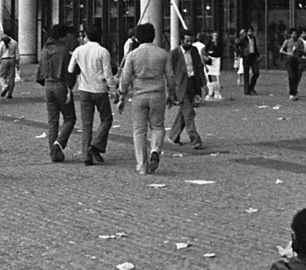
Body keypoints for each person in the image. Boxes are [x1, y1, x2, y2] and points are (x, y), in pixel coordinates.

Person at [119, 23, 176, 174]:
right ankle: (155, 150)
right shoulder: (163, 54)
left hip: (139, 94)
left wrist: (122, 95)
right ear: (154, 36)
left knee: (139, 130)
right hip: (158, 94)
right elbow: (170, 75)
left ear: (137, 37)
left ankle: (142, 165)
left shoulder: (133, 55)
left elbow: (125, 77)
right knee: (157, 126)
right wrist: (172, 93)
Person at [69, 21, 116, 164]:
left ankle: (86, 155)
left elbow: (71, 70)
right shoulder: (103, 51)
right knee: (106, 119)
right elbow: (108, 74)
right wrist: (113, 89)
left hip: (84, 88)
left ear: (87, 36)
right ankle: (96, 145)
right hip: (99, 89)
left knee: (86, 124)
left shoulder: (78, 50)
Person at [36, 22, 76, 162]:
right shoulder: (63, 50)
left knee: (52, 121)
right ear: (61, 36)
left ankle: (54, 153)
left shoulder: (44, 49)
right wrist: (69, 87)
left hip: (48, 84)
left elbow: (40, 71)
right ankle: (59, 143)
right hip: (60, 84)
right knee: (70, 118)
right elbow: (69, 71)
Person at [167, 31, 205, 150]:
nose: (190, 43)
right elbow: (170, 73)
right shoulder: (174, 54)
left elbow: (199, 67)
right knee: (189, 113)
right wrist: (171, 93)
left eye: (191, 41)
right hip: (180, 86)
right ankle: (195, 139)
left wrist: (203, 84)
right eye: (187, 41)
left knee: (183, 113)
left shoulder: (194, 51)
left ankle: (173, 135)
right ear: (181, 41)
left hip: (192, 83)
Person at [280, 27, 303, 100]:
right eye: (294, 33)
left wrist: (299, 54)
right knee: (291, 76)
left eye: (296, 33)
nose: (295, 35)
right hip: (289, 60)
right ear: (290, 34)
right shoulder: (287, 41)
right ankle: (291, 93)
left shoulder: (299, 42)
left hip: (296, 60)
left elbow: (302, 50)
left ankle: (295, 92)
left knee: (296, 76)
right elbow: (281, 50)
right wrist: (288, 53)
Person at [0, 31, 20, 99]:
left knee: (2, 75)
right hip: (12, 59)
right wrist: (17, 63)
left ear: (6, 34)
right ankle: (10, 93)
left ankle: (4, 85)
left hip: (4, 59)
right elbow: (17, 53)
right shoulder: (14, 42)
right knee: (12, 77)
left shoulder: (2, 42)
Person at [238, 25, 260, 94]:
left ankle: (251, 87)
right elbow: (236, 45)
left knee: (256, 72)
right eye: (249, 31)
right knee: (246, 74)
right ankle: (246, 90)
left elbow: (255, 46)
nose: (250, 33)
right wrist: (241, 53)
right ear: (246, 32)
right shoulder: (243, 39)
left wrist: (257, 53)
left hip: (253, 56)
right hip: (246, 57)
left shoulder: (253, 38)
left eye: (251, 31)